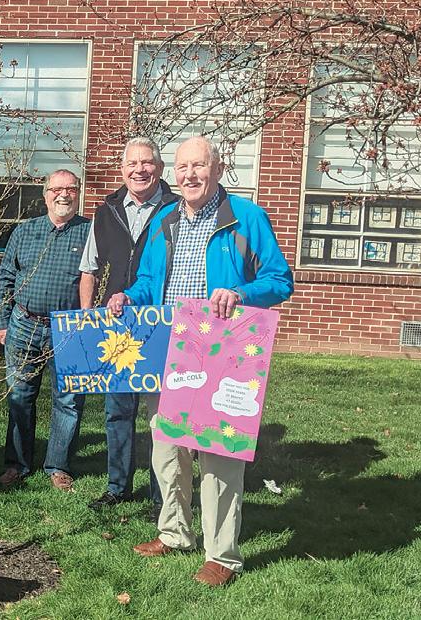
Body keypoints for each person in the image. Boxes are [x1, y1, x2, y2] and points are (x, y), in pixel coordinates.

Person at [107, 136, 293, 586]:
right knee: (167, 449)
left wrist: (241, 293)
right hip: (169, 351)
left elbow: (280, 279)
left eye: (199, 165)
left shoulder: (246, 218)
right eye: (183, 166)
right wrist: (128, 297)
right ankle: (174, 532)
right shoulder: (165, 221)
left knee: (218, 454)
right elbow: (149, 281)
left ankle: (221, 555)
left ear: (218, 169)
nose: (190, 174)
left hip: (224, 353)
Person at [80, 138, 177, 519]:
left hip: (159, 323)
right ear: (122, 169)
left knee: (160, 416)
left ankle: (161, 495)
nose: (140, 170)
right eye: (132, 163)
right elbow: (89, 268)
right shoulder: (105, 211)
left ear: (160, 168)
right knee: (118, 411)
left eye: (147, 162)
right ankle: (117, 487)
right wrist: (88, 318)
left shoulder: (176, 210)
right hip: (116, 323)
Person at [0, 169, 91, 492]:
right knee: (20, 397)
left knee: (69, 400)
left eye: (71, 189)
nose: (64, 195)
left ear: (78, 193)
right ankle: (17, 464)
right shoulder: (25, 231)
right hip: (24, 324)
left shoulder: (90, 233)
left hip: (70, 329)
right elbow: (6, 278)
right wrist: (2, 321)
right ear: (45, 194)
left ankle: (58, 466)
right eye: (57, 189)